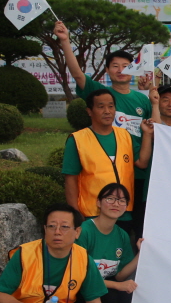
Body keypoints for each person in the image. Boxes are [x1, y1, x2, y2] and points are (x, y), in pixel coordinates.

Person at [56, 21, 153, 232]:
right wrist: (65, 42)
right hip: (105, 172)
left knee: (133, 227)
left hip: (136, 171)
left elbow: (152, 129)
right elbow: (78, 74)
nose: (121, 70)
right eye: (115, 66)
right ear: (108, 70)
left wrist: (152, 94)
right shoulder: (100, 93)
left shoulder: (142, 99)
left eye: (126, 66)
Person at [62, 89, 153, 232]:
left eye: (111, 106)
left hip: (124, 213)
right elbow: (70, 179)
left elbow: (142, 163)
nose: (107, 111)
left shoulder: (125, 135)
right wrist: (74, 213)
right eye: (101, 106)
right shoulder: (77, 140)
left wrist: (147, 134)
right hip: (92, 213)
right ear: (89, 111)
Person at [76, 183, 141, 303]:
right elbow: (81, 277)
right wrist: (118, 286)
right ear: (98, 202)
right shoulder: (84, 231)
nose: (116, 204)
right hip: (78, 288)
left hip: (102, 284)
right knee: (110, 295)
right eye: (110, 198)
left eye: (121, 200)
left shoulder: (122, 235)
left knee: (130, 293)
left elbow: (120, 275)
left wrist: (141, 253)